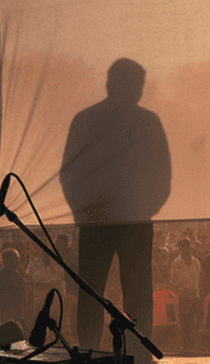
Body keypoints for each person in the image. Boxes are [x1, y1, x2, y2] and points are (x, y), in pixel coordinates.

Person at [60, 59, 171, 364]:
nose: (139, 91)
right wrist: (142, 210)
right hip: (131, 220)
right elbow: (163, 176)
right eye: (138, 85)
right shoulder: (148, 122)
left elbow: (69, 174)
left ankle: (88, 353)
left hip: (98, 220)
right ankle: (138, 354)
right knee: (135, 293)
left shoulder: (85, 120)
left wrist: (84, 212)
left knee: (92, 292)